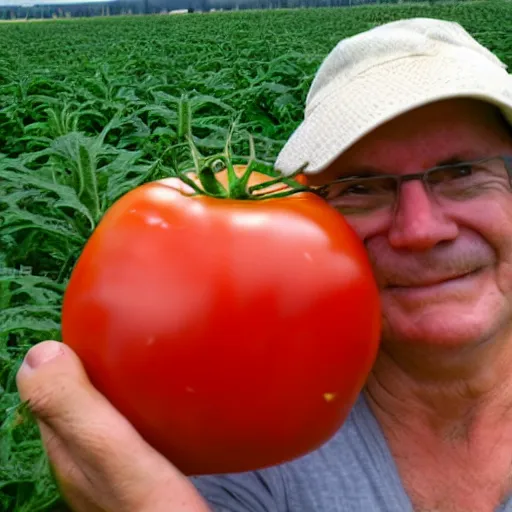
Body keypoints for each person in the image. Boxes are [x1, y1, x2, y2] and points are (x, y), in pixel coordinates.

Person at [15, 17, 512, 512]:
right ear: (317, 225)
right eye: (361, 187)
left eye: (463, 172)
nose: (422, 230)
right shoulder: (243, 437)